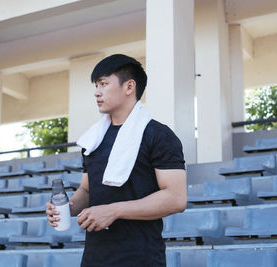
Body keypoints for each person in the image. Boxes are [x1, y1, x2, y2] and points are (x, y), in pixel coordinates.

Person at [46, 54, 187, 267]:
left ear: (129, 86)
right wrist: (69, 207)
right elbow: (87, 191)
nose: (97, 92)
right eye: (96, 85)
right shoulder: (93, 139)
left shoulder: (158, 135)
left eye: (103, 84)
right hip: (94, 257)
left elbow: (176, 198)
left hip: (140, 258)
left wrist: (114, 210)